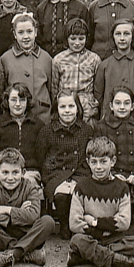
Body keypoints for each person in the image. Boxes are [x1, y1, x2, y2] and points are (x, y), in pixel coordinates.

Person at [67, 137, 134, 267]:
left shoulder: (122, 188)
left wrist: (95, 222)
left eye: (103, 162)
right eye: (94, 162)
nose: (98, 167)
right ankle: (130, 263)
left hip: (113, 239)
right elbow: (74, 223)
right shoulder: (81, 187)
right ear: (88, 162)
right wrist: (104, 229)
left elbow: (124, 222)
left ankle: (88, 256)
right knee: (77, 240)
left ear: (113, 161)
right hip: (90, 237)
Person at [0, 148, 56, 267]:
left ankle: (11, 254)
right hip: (1, 233)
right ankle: (25, 253)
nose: (10, 178)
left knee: (48, 221)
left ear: (23, 172)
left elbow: (33, 215)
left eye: (15, 172)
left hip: (25, 232)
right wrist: (18, 214)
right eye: (5, 172)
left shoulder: (30, 187)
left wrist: (7, 209)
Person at [36, 90, 93, 240]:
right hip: (55, 173)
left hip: (79, 172)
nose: (67, 111)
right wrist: (49, 176)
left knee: (77, 193)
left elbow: (88, 155)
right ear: (57, 109)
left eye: (71, 106)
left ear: (78, 108)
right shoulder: (47, 131)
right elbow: (41, 156)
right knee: (61, 196)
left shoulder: (86, 130)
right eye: (63, 107)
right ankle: (65, 224)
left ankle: (77, 223)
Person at [93, 86, 134, 215]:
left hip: (133, 178)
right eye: (118, 103)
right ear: (111, 106)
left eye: (126, 103)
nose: (122, 107)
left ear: (132, 106)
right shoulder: (101, 127)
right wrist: (111, 174)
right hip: (111, 176)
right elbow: (99, 156)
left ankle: (123, 218)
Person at [0, 82, 46, 198]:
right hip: (3, 172)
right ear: (7, 101)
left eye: (22, 100)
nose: (18, 104)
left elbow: (42, 156)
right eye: (13, 100)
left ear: (27, 102)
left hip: (29, 172)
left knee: (31, 188)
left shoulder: (38, 126)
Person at [1, 12, 52, 124]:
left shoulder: (46, 58)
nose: (25, 37)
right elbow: (3, 88)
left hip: (42, 116)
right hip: (16, 118)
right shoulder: (6, 59)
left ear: (36, 32)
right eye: (20, 32)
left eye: (29, 31)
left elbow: (51, 88)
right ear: (15, 34)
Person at [94, 19, 134, 121]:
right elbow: (98, 95)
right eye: (118, 34)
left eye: (126, 34)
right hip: (110, 121)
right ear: (113, 37)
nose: (122, 38)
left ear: (133, 37)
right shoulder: (104, 65)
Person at [51, 17, 101, 125]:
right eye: (73, 39)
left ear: (86, 38)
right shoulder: (58, 60)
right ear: (67, 38)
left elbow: (98, 89)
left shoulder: (94, 59)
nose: (77, 43)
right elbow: (54, 89)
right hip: (66, 107)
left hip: (88, 108)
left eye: (81, 39)